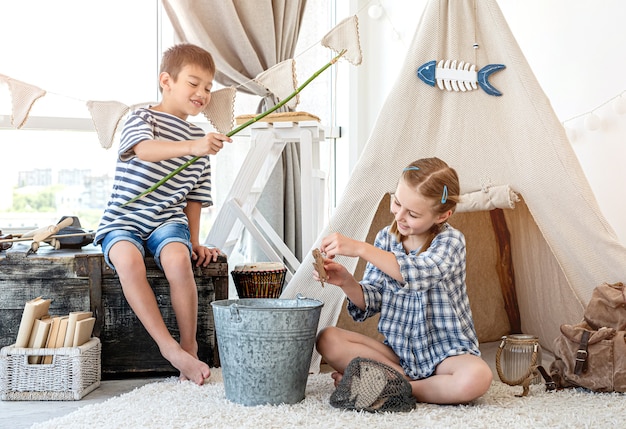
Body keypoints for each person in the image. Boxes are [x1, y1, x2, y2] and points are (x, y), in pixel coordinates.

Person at [94, 43, 232, 385]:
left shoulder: (201, 138)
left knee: (178, 261)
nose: (202, 93)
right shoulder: (141, 117)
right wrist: (192, 147)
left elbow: (195, 198)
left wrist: (195, 241)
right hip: (124, 217)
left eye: (208, 87)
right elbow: (144, 151)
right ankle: (168, 347)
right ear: (166, 81)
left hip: (167, 220)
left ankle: (189, 345)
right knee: (127, 262)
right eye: (194, 83)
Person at [313, 157, 492, 408]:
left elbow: (419, 273)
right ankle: (399, 382)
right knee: (327, 338)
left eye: (413, 213)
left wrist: (360, 248)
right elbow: (374, 298)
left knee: (477, 377)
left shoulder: (451, 242)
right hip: (400, 354)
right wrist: (347, 282)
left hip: (446, 354)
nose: (400, 215)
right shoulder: (386, 238)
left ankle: (392, 387)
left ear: (443, 215)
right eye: (397, 202)